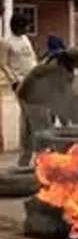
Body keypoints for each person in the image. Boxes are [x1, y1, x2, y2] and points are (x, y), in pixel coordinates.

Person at [0, 12, 39, 166]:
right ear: (17, 26)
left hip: (33, 81)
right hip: (21, 83)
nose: (28, 28)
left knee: (31, 118)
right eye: (25, 26)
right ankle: (26, 155)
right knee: (29, 117)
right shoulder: (6, 43)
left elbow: (32, 58)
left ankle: (28, 155)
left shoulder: (25, 39)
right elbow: (3, 64)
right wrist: (14, 81)